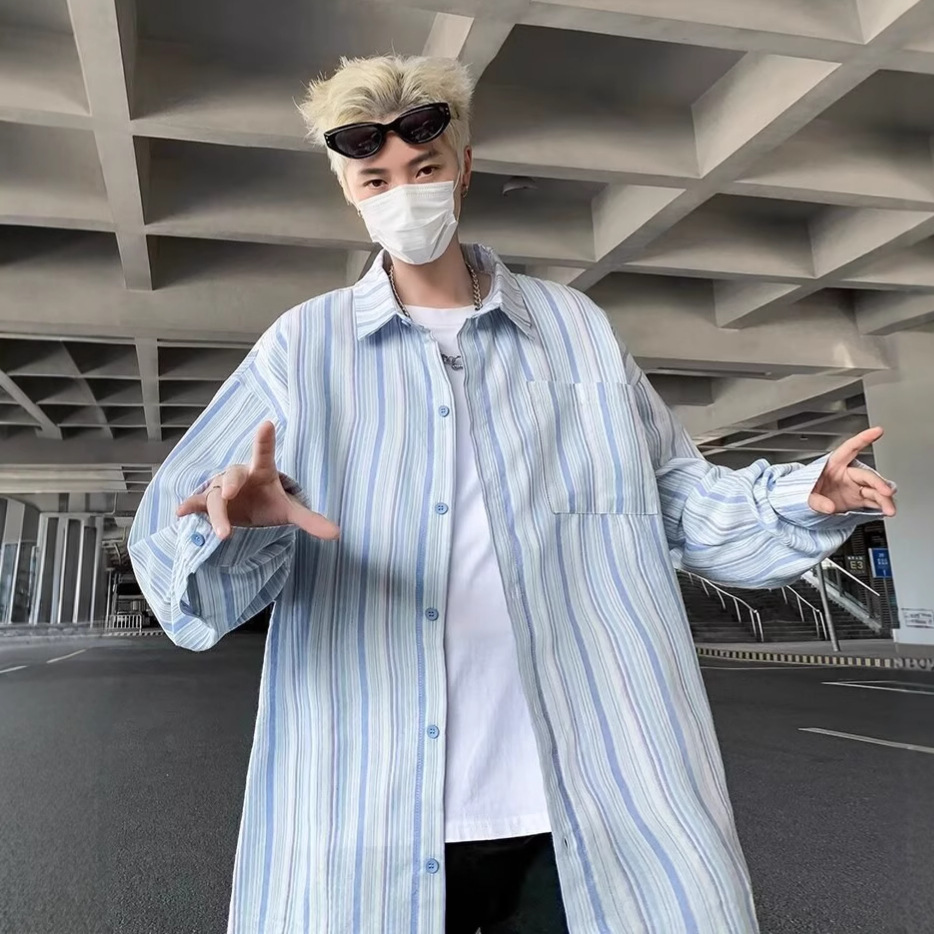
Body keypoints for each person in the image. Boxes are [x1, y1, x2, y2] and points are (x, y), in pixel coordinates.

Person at [128, 54, 896, 934]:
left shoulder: (575, 331)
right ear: (348, 191)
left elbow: (673, 498)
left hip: (595, 790)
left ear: (462, 166)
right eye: (375, 179)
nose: (403, 194)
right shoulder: (302, 349)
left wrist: (798, 496)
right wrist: (239, 524)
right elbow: (176, 567)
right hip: (370, 808)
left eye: (422, 168)